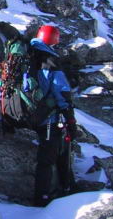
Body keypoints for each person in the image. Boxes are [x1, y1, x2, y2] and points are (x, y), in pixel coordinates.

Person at [29, 25, 78, 207]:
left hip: (30, 110)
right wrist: (70, 119)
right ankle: (43, 198)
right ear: (55, 40)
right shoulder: (49, 59)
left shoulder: (29, 52)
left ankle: (65, 186)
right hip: (49, 117)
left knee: (54, 152)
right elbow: (62, 91)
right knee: (48, 158)